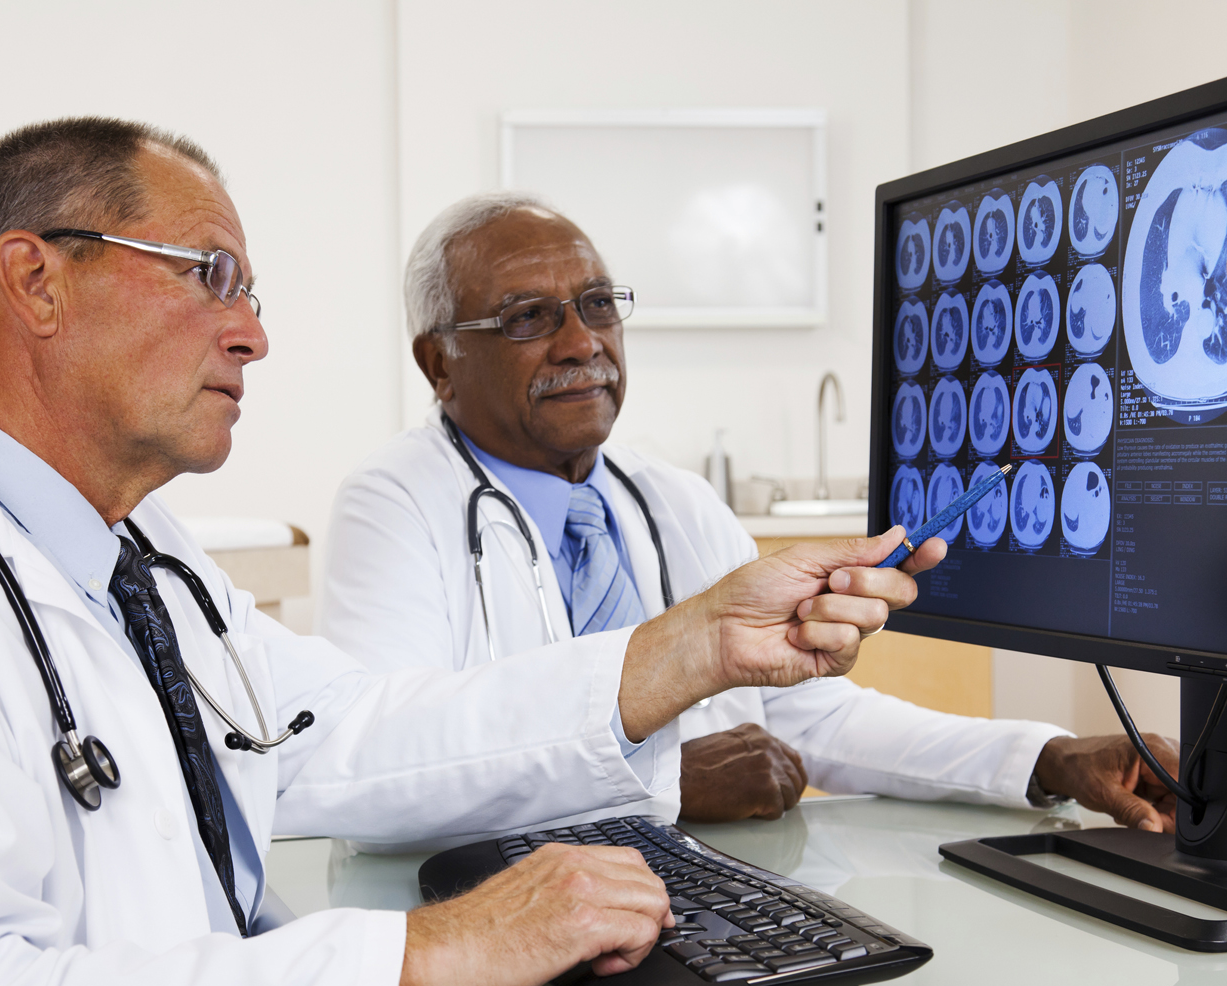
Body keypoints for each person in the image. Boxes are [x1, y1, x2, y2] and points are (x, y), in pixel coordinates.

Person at [0, 120, 932, 986]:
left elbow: (357, 730)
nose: (253, 332)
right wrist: (420, 955)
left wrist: (693, 647)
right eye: (210, 276)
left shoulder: (142, 558)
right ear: (37, 280)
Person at [318, 192, 1180, 836]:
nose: (582, 342)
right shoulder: (393, 505)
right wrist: (659, 783)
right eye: (528, 317)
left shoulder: (674, 502)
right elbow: (389, 772)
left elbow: (806, 717)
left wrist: (1046, 758)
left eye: (596, 304)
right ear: (439, 361)